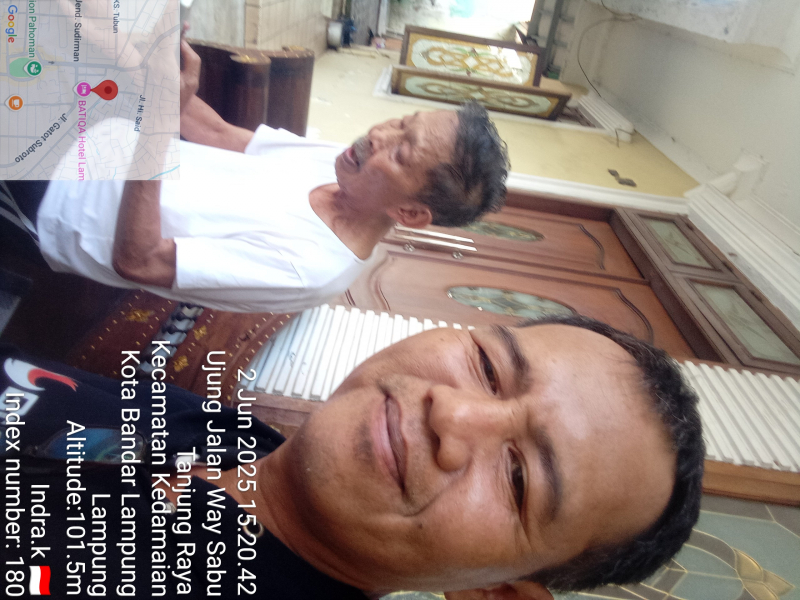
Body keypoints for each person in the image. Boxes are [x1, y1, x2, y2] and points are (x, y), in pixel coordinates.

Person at [0, 314, 704, 599]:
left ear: (494, 594)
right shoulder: (242, 442)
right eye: (489, 366)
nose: (452, 414)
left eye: (519, 479)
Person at [0, 41, 509, 313]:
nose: (379, 134)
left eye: (401, 151)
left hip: (53, 206)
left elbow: (139, 260)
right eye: (400, 121)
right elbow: (217, 133)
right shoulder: (339, 167)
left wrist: (154, 130)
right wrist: (150, 65)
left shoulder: (310, 268)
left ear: (410, 211)